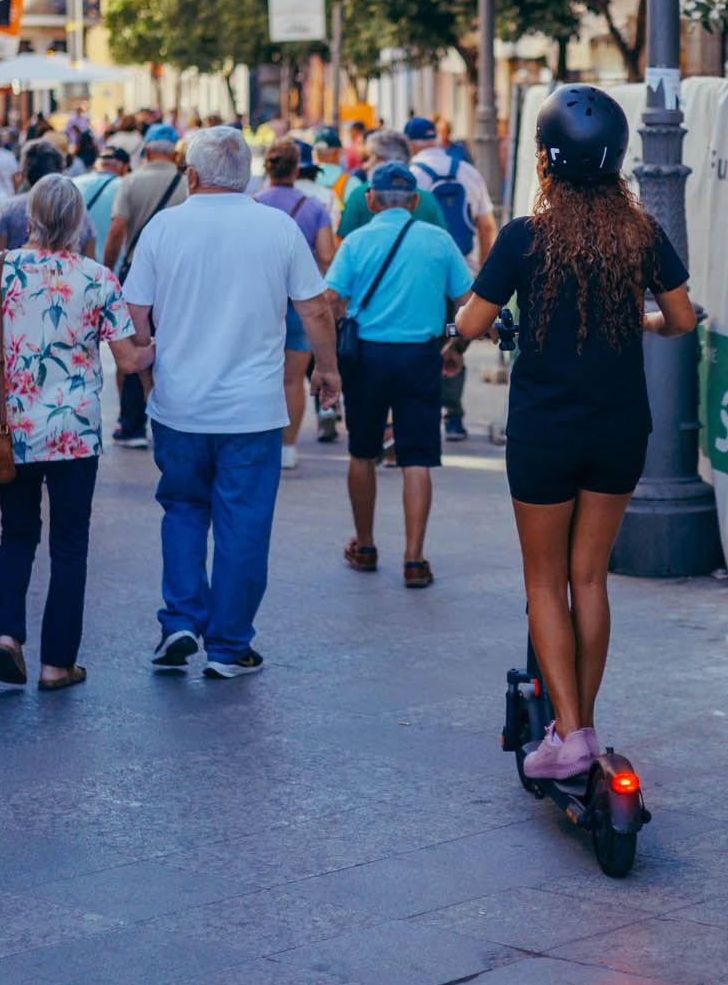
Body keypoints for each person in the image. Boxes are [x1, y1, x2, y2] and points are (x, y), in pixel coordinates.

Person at [451, 85, 695, 780]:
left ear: (545, 159)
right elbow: (681, 319)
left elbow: (471, 324)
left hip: (545, 432)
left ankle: (570, 735)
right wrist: (645, 321)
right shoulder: (641, 233)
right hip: (620, 429)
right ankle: (580, 723)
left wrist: (471, 325)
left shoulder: (527, 237)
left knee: (544, 581)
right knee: (590, 578)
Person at [122, 127, 338, 678]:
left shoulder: (163, 229)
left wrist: (149, 379)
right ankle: (227, 646)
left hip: (180, 406)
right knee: (244, 525)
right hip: (253, 410)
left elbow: (136, 314)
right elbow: (314, 309)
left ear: (191, 175)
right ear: (248, 177)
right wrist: (328, 370)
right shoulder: (277, 227)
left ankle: (179, 622)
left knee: (183, 511)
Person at [0, 176, 153, 691]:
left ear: (31, 218)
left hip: (11, 430)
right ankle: (56, 664)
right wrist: (168, 341)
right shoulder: (97, 277)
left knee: (16, 534)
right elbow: (129, 361)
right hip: (74, 434)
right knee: (70, 544)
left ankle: (5, 637)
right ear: (79, 222)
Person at [328, 164, 474, 587]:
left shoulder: (355, 242)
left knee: (362, 452)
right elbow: (469, 301)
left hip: (367, 357)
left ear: (370, 200)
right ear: (414, 201)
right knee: (417, 458)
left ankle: (366, 544)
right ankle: (414, 558)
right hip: (420, 358)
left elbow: (330, 297)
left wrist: (339, 332)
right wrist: (454, 348)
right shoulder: (438, 241)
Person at [404, 117, 496, 442]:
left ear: (411, 143)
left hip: (426, 279)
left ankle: (427, 413)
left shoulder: (411, 176)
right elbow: (486, 226)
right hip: (467, 275)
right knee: (455, 343)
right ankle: (454, 418)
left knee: (427, 345)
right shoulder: (468, 172)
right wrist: (484, 273)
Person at [103, 123, 187, 449]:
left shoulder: (131, 182)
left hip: (137, 274)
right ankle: (174, 414)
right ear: (174, 152)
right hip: (177, 277)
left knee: (135, 346)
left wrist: (109, 271)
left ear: (147, 150)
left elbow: (117, 230)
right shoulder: (187, 185)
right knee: (174, 341)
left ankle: (133, 423)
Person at [255, 140, 335, 471]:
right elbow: (328, 255)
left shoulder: (254, 203)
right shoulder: (314, 206)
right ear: (297, 168)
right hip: (300, 303)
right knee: (292, 379)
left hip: (262, 302)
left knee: (262, 375)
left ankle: (263, 441)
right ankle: (288, 448)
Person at [0, 140, 95, 257]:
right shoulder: (77, 211)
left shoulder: (8, 209)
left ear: (25, 172)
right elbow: (89, 256)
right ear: (60, 171)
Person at [335, 129, 445, 241]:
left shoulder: (359, 195)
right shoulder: (426, 199)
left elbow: (344, 241)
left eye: (373, 157)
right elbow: (442, 240)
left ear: (384, 161)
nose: (366, 165)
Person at [79, 146, 128, 251]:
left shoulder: (73, 183)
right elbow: (117, 231)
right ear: (124, 167)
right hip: (111, 263)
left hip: (76, 262)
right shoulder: (126, 186)